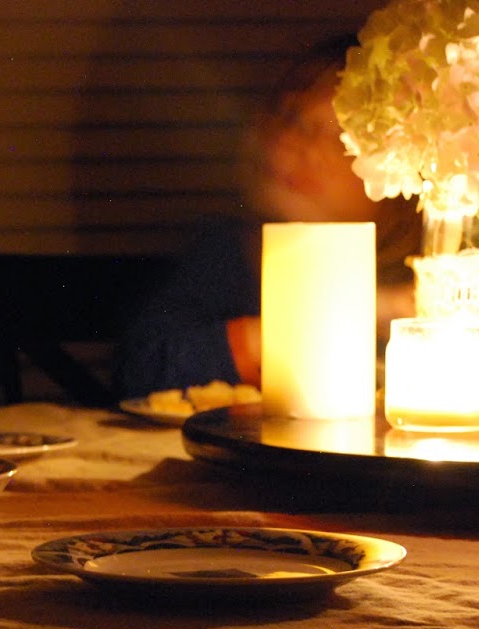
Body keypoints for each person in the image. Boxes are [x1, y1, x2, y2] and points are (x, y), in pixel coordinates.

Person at [113, 36, 419, 399]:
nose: (307, 149)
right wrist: (286, 331)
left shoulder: (420, 283)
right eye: (295, 120)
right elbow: (141, 367)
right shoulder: (227, 255)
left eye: (344, 141)